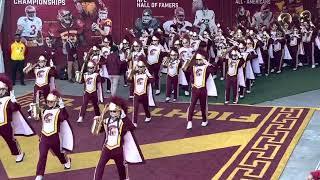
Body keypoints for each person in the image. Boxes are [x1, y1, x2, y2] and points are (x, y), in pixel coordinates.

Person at [93, 96, 145, 180]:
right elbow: (96, 131)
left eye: (114, 111)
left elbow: (132, 127)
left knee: (121, 170)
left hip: (118, 150)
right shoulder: (106, 120)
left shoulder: (122, 122)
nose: (112, 113)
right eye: (111, 111)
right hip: (106, 148)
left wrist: (124, 116)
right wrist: (97, 122)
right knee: (100, 167)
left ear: (120, 111)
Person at [35, 90, 73, 180]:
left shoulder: (58, 111)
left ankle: (66, 160)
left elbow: (64, 117)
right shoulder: (43, 110)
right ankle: (39, 175)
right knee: (42, 156)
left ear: (55, 102)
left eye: (51, 102)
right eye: (48, 101)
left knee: (59, 154)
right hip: (44, 137)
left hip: (55, 138)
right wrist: (36, 104)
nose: (49, 103)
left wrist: (62, 107)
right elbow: (37, 116)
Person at [0, 75, 34, 163]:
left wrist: (13, 100)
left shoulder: (8, 100)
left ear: (5, 89)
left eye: (1, 90)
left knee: (10, 140)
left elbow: (16, 108)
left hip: (5, 124)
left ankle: (19, 154)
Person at [183, 51, 217, 130]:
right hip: (195, 89)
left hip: (203, 89)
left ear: (203, 59)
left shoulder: (206, 67)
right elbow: (185, 69)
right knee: (192, 105)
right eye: (197, 59)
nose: (198, 61)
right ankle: (189, 121)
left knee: (203, 106)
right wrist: (187, 60)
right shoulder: (193, 67)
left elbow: (214, 70)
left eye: (200, 59)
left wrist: (207, 63)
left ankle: (204, 120)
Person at [129, 60, 155, 127]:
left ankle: (148, 116)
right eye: (139, 67)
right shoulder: (135, 75)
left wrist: (148, 73)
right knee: (135, 108)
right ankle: (134, 122)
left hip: (144, 94)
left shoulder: (146, 75)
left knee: (146, 107)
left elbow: (152, 81)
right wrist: (131, 72)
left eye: (141, 67)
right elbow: (129, 80)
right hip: (136, 94)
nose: (140, 68)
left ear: (144, 68)